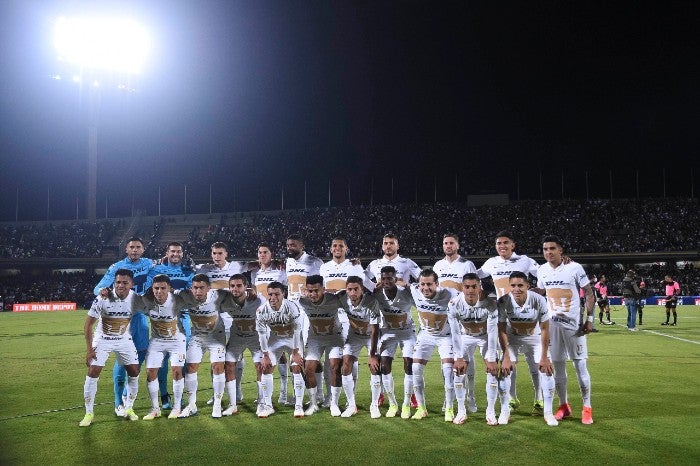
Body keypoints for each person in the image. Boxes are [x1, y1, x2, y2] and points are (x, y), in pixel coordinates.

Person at [476, 231, 542, 414]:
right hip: (504, 319)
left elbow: (544, 273)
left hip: (527, 317)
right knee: (508, 360)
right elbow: (474, 275)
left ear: (513, 245)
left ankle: (539, 398)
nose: (502, 246)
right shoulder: (492, 262)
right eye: (498, 243)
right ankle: (512, 398)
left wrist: (538, 291)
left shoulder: (525, 260)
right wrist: (480, 291)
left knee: (533, 361)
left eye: (506, 243)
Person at [93, 237, 155, 417]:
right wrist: (103, 291)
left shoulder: (149, 264)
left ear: (143, 250)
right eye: (131, 247)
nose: (134, 250)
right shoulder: (116, 267)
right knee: (122, 360)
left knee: (140, 355)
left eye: (138, 247)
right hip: (122, 319)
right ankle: (118, 401)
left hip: (141, 318)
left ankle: (128, 398)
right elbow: (98, 288)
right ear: (126, 250)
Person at [537, 235, 595, 425]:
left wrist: (590, 319)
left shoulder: (574, 268)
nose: (548, 252)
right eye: (545, 249)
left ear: (561, 250)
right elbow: (540, 293)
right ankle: (564, 406)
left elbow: (588, 292)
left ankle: (587, 407)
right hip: (553, 327)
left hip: (574, 327)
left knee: (580, 366)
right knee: (558, 368)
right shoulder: (542, 270)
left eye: (552, 248)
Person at [80, 269, 144, 426]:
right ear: (113, 283)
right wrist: (89, 350)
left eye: (125, 282)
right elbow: (88, 325)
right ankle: (89, 413)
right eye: (117, 282)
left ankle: (129, 408)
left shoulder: (136, 299)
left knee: (134, 371)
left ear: (131, 284)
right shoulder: (102, 298)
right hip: (103, 339)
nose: (120, 285)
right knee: (93, 371)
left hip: (124, 339)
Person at [498, 271, 558, 426]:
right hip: (513, 338)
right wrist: (506, 356)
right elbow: (502, 329)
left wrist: (544, 356)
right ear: (509, 286)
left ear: (527, 286)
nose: (516, 289)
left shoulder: (538, 300)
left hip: (535, 338)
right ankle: (505, 411)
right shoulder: (503, 301)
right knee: (504, 370)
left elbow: (545, 328)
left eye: (520, 285)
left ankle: (548, 412)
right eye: (513, 285)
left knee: (547, 370)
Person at [195, 242, 247, 406]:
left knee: (236, 354)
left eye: (220, 253)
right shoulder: (204, 269)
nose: (216, 256)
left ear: (226, 254)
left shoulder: (236, 266)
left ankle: (237, 390)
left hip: (233, 317)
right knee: (215, 357)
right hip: (214, 319)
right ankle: (216, 393)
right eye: (214, 253)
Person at [145, 241, 194, 410]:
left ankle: (183, 397)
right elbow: (148, 290)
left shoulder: (188, 271)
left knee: (183, 358)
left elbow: (192, 294)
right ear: (167, 252)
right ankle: (165, 395)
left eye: (179, 251)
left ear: (182, 253)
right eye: (172, 251)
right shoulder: (156, 270)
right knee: (162, 358)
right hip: (162, 317)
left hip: (184, 316)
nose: (176, 254)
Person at [177, 274, 234, 418]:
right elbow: (168, 295)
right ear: (191, 288)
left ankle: (217, 403)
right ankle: (191, 405)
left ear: (209, 288)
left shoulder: (218, 295)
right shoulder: (184, 295)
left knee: (217, 367)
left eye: (202, 287)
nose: (198, 291)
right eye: (195, 288)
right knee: (190, 368)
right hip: (197, 337)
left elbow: (236, 294)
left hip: (216, 337)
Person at [434, 233, 477, 413]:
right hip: (444, 318)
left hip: (463, 317)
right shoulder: (438, 265)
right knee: (448, 360)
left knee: (467, 358)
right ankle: (448, 398)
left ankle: (471, 396)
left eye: (451, 243)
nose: (448, 246)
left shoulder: (466, 264)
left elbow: (473, 287)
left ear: (457, 245)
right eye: (445, 243)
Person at [448, 273, 499, 425]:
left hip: (485, 337)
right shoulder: (453, 304)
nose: (470, 290)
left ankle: (490, 411)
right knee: (458, 371)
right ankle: (461, 410)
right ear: (462, 288)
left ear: (479, 287)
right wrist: (458, 357)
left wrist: (491, 359)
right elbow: (455, 332)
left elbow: (492, 332)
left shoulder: (490, 305)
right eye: (467, 287)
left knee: (493, 370)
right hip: (465, 337)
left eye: (474, 286)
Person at [410, 269, 458, 421]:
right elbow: (401, 283)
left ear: (437, 284)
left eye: (429, 284)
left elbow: (466, 295)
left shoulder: (449, 293)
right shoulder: (414, 290)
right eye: (422, 284)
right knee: (416, 368)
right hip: (426, 335)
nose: (425, 288)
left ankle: (449, 408)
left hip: (446, 337)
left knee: (448, 371)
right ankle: (421, 408)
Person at [140, 274, 188, 420]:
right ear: (152, 288)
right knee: (150, 372)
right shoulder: (146, 300)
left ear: (169, 288)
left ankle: (177, 407)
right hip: (157, 341)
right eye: (156, 288)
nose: (159, 291)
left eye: (163, 288)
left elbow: (197, 298)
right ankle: (155, 409)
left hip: (177, 340)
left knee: (176, 371)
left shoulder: (178, 300)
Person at [373, 266, 418, 419]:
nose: (386, 281)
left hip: (407, 332)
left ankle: (406, 403)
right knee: (384, 365)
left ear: (395, 279)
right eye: (383, 278)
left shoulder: (406, 293)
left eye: (389, 278)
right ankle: (393, 404)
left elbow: (422, 300)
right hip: (388, 332)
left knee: (409, 364)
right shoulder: (377, 295)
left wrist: (410, 286)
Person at [297, 275, 345, 416]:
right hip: (315, 339)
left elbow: (350, 300)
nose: (313, 294)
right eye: (310, 291)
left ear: (323, 289)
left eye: (316, 290)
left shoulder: (334, 300)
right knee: (309, 368)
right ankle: (313, 403)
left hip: (334, 337)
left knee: (334, 366)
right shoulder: (302, 301)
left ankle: (333, 402)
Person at [257, 281, 305, 417]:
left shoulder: (292, 307)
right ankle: (268, 406)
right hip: (275, 340)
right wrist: (265, 355)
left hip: (292, 340)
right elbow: (261, 334)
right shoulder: (262, 310)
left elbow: (297, 331)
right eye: (270, 294)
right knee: (266, 368)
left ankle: (299, 405)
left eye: (276, 294)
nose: (273, 298)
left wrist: (295, 353)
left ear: (283, 294)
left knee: (296, 366)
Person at [336, 276, 381, 418]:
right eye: (350, 289)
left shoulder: (371, 302)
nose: (353, 292)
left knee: (375, 367)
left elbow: (375, 330)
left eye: (356, 289)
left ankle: (374, 405)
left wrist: (372, 355)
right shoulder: (341, 298)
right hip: (354, 335)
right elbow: (327, 297)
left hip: (371, 337)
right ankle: (351, 405)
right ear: (346, 290)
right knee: (345, 366)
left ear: (362, 289)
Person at [250, 242, 289, 404]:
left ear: (271, 254)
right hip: (260, 319)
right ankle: (262, 395)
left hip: (277, 318)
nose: (262, 255)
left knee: (281, 355)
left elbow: (286, 293)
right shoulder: (254, 273)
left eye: (265, 252)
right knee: (262, 358)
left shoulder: (281, 271)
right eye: (260, 252)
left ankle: (284, 392)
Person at [222, 274, 265, 416]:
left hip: (255, 338)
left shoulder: (257, 300)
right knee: (228, 366)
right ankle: (233, 404)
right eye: (232, 286)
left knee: (260, 367)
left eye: (239, 285)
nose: (235, 288)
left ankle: (261, 402)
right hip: (237, 337)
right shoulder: (226, 301)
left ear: (245, 286)